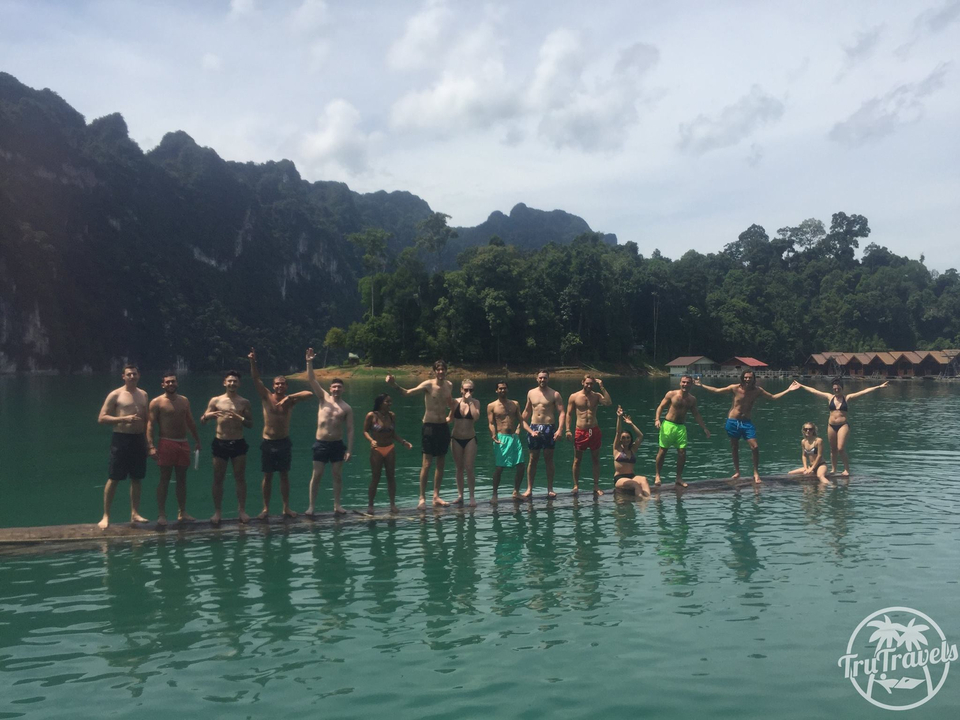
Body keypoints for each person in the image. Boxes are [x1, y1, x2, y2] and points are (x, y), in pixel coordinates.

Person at [695, 371, 797, 483]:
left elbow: (773, 397)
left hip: (746, 422)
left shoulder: (757, 390)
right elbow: (717, 391)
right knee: (734, 447)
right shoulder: (735, 388)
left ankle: (756, 472)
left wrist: (788, 390)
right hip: (733, 421)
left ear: (754, 379)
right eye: (746, 377)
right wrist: (702, 385)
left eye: (750, 378)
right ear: (742, 378)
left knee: (755, 447)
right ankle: (737, 471)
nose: (748, 379)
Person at [248, 348, 313, 520]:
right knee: (267, 476)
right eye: (277, 384)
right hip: (268, 442)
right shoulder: (266, 397)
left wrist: (289, 397)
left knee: (284, 475)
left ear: (286, 386)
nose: (279, 386)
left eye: (282, 384)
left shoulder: (291, 401)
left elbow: (309, 394)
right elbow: (255, 379)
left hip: (284, 442)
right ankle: (265, 509)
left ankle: (286, 508)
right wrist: (253, 362)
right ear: (273, 386)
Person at [386, 360, 456, 508]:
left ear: (446, 371)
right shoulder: (428, 385)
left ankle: (436, 496)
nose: (441, 372)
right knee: (427, 463)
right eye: (438, 369)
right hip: (429, 426)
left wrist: (451, 415)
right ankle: (422, 498)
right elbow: (407, 393)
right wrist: (394, 385)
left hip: (443, 426)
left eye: (443, 369)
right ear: (434, 371)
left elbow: (450, 402)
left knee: (441, 463)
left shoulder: (449, 385)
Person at [792, 377, 889, 475]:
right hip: (831, 426)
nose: (836, 390)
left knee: (840, 448)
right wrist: (801, 386)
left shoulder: (847, 398)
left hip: (843, 425)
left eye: (838, 388)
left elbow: (864, 392)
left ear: (842, 388)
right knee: (833, 449)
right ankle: (834, 469)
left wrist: (879, 386)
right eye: (835, 388)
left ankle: (847, 470)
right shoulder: (830, 397)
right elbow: (814, 391)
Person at [97, 365, 150, 529]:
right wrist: (123, 419)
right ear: (123, 376)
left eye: (134, 374)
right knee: (114, 478)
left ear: (138, 375)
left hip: (138, 438)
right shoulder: (115, 394)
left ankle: (135, 513)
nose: (132, 377)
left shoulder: (143, 394)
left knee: (137, 478)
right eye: (129, 374)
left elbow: (147, 419)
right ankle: (106, 515)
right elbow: (102, 418)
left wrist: (149, 442)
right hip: (121, 438)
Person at [304, 348, 354, 516]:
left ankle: (337, 505)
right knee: (316, 475)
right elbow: (311, 379)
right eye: (334, 386)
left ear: (343, 389)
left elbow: (350, 429)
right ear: (330, 388)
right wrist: (309, 362)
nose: (336, 389)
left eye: (339, 387)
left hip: (337, 444)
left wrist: (349, 449)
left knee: (337, 476)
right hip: (321, 443)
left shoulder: (346, 407)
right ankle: (311, 506)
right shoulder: (323, 398)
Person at [148, 372, 201, 526]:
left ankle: (182, 511)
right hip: (166, 442)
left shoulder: (184, 401)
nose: (171, 384)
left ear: (177, 383)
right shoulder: (157, 402)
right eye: (168, 382)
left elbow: (190, 421)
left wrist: (197, 440)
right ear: (163, 385)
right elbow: (150, 424)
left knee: (182, 479)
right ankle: (161, 514)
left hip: (183, 442)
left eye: (173, 382)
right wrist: (150, 446)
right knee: (164, 479)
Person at [201, 369, 253, 524]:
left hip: (238, 442)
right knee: (218, 478)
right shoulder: (215, 401)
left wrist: (240, 418)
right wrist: (208, 416)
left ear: (239, 383)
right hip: (220, 442)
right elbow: (203, 421)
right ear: (224, 383)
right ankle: (217, 512)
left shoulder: (244, 402)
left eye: (235, 381)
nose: (232, 383)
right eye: (229, 381)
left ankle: (242, 511)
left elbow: (250, 424)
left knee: (240, 478)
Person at [653, 374, 711, 488]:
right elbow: (660, 407)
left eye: (688, 382)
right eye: (683, 382)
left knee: (682, 453)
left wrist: (704, 428)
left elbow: (696, 414)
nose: (685, 384)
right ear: (680, 383)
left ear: (691, 384)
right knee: (662, 451)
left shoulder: (692, 399)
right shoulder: (671, 394)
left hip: (681, 427)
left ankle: (678, 478)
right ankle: (657, 475)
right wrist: (657, 419)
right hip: (668, 425)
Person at [363, 393, 412, 514]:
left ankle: (392, 504)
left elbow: (393, 434)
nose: (390, 404)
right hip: (377, 449)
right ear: (380, 403)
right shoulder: (371, 415)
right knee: (376, 477)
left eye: (390, 402)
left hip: (389, 448)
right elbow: (365, 431)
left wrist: (403, 442)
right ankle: (370, 505)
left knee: (391, 477)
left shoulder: (391, 416)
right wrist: (371, 440)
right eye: (387, 402)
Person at [565, 374, 612, 495]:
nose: (589, 385)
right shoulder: (574, 396)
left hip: (594, 430)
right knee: (577, 460)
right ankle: (576, 485)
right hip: (580, 431)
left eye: (591, 384)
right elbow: (569, 414)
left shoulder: (596, 396)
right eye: (587, 383)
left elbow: (608, 403)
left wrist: (602, 387)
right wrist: (567, 430)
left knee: (595, 459)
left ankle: (596, 486)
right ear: (582, 382)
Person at [521, 369, 565, 498]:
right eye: (540, 378)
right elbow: (527, 411)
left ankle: (550, 489)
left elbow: (561, 412)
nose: (542, 380)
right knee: (532, 459)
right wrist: (520, 424)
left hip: (549, 428)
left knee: (548, 459)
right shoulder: (531, 393)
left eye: (545, 378)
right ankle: (529, 489)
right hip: (534, 427)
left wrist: (560, 429)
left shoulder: (554, 394)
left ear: (548, 379)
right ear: (536, 378)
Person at [487, 380, 529, 502]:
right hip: (501, 438)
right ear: (496, 390)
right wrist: (493, 434)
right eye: (500, 388)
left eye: (504, 388)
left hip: (514, 438)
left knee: (521, 465)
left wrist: (524, 431)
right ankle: (494, 494)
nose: (502, 390)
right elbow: (491, 423)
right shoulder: (492, 406)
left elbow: (521, 420)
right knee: (499, 468)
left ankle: (516, 491)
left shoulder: (514, 404)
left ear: (507, 389)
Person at [448, 379, 481, 507]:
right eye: (466, 389)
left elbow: (476, 417)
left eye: (471, 390)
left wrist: (470, 402)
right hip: (456, 438)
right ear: (461, 390)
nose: (468, 392)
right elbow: (450, 418)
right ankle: (460, 495)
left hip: (470, 438)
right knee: (459, 468)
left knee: (469, 467)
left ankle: (472, 496)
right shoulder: (455, 402)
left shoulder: (476, 402)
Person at [612, 406, 651, 496]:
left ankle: (647, 501)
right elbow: (618, 432)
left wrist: (631, 424)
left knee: (644, 479)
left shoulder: (633, 449)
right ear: (620, 439)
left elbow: (640, 436)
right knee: (635, 484)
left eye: (628, 438)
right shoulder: (617, 449)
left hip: (632, 476)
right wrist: (619, 417)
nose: (626, 440)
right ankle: (642, 499)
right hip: (620, 478)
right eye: (624, 438)